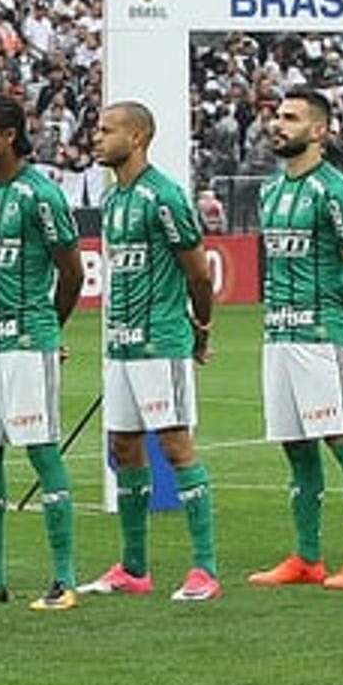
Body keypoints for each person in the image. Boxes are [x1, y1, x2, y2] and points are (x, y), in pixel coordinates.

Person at [79, 100, 221, 602]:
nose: (95, 137)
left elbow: (199, 273)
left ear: (136, 137)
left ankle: (205, 569)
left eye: (106, 130)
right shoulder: (114, 198)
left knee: (177, 446)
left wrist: (200, 329)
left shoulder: (165, 197)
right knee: (123, 447)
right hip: (121, 344)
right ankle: (134, 569)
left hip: (162, 340)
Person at [245, 89, 343, 591]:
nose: (278, 125)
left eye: (291, 118)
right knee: (294, 443)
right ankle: (307, 557)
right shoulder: (270, 190)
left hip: (322, 331)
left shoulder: (334, 190)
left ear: (319, 131)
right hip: (277, 332)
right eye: (278, 117)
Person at [0, 96, 86, 611]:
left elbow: (71, 271)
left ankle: (64, 579)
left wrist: (49, 326)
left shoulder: (41, 195)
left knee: (41, 450)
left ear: (10, 135)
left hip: (27, 339)